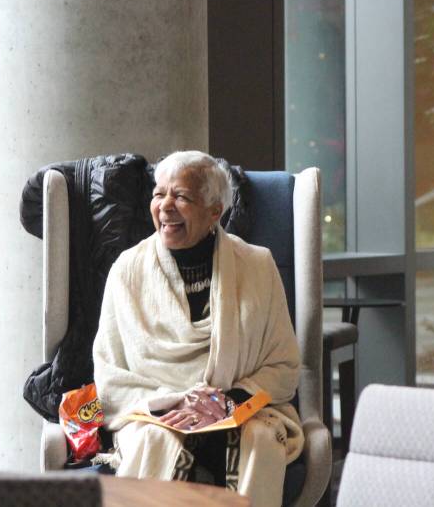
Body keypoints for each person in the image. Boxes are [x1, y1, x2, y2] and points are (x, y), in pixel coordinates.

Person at [93, 150, 303, 507]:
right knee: (156, 442)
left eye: (182, 197)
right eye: (159, 194)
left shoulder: (257, 265)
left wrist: (226, 400)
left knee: (262, 441)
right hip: (156, 413)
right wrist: (174, 401)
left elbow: (283, 366)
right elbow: (110, 376)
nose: (165, 206)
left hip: (240, 407)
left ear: (214, 212)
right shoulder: (127, 270)